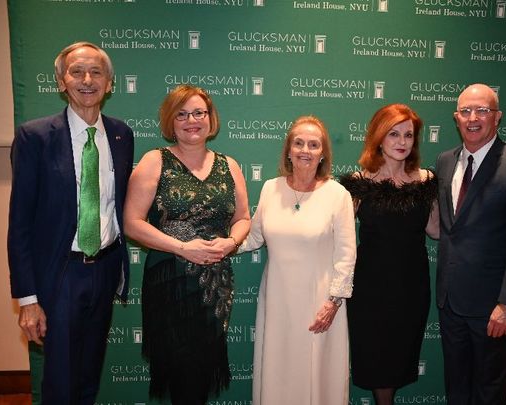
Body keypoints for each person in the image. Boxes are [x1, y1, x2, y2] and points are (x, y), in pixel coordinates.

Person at [7, 41, 134, 403]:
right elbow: (20, 224)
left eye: (96, 72)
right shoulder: (35, 137)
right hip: (60, 274)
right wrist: (28, 299)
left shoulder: (123, 135)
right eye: (77, 71)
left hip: (105, 269)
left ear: (110, 83)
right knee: (60, 382)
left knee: (88, 375)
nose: (87, 79)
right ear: (62, 81)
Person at [123, 85, 250, 404]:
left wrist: (231, 242)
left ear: (210, 118)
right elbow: (132, 223)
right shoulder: (155, 161)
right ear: (170, 121)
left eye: (198, 113)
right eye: (182, 114)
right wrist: (182, 247)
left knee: (202, 371)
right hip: (171, 280)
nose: (191, 120)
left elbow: (244, 217)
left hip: (215, 285)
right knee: (181, 371)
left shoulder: (229, 165)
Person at [436, 83, 506, 404]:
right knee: (456, 389)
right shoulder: (444, 161)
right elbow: (448, 226)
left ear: (497, 117)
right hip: (450, 302)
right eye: (466, 111)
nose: (473, 118)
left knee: (488, 392)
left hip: (491, 307)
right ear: (456, 118)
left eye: (482, 110)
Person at [237, 116, 356, 405]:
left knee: (318, 377)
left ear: (323, 153)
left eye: (313, 144)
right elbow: (254, 238)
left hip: (321, 305)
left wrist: (333, 302)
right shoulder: (270, 188)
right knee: (278, 372)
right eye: (298, 143)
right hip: (277, 302)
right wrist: (220, 245)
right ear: (288, 150)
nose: (305, 150)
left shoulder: (337, 194)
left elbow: (346, 253)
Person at [339, 104, 439, 405]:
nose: (402, 142)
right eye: (393, 134)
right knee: (376, 359)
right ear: (379, 137)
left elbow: (436, 230)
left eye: (408, 135)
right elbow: (337, 234)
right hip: (370, 289)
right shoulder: (359, 183)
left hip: (412, 288)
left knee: (398, 357)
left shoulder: (427, 181)